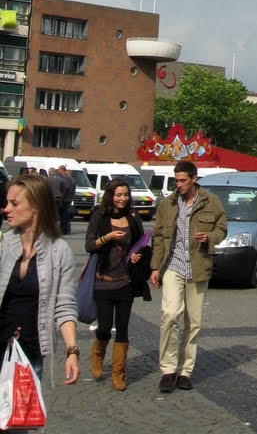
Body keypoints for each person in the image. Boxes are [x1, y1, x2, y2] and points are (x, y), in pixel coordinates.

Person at [150, 161, 227, 392]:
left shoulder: (211, 202)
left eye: (183, 180)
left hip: (198, 266)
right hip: (172, 265)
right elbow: (158, 237)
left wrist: (210, 237)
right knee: (170, 315)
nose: (179, 185)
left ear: (194, 179)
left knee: (193, 323)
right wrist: (155, 267)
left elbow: (222, 229)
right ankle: (168, 369)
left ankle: (185, 371)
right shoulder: (168, 203)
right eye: (176, 181)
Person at [0, 172, 80, 384]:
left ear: (36, 206)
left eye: (14, 203)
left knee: (23, 417)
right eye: (7, 202)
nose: (6, 209)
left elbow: (65, 305)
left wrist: (72, 350)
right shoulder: (3, 244)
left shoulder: (59, 252)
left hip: (29, 352)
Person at [85, 178, 150, 390]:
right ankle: (97, 356)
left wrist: (136, 256)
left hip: (125, 282)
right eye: (118, 195)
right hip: (103, 281)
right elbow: (89, 245)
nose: (123, 199)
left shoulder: (133, 217)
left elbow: (140, 245)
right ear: (110, 195)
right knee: (104, 327)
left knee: (122, 328)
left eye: (126, 195)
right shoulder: (99, 216)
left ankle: (118, 372)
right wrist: (108, 237)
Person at [58, 165, 76, 235]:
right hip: (69, 198)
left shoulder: (65, 178)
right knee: (66, 215)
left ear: (62, 170)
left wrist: (62, 198)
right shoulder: (71, 178)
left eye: (59, 170)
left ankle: (64, 230)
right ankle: (67, 229)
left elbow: (65, 188)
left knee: (64, 215)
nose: (58, 171)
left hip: (65, 199)